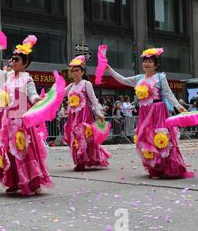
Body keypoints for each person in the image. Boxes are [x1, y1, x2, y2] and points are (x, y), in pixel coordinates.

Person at [0, 35, 53, 196]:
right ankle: (13, 180)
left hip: (21, 121)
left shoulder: (27, 79)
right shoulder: (9, 76)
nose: (12, 61)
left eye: (16, 59)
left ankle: (30, 181)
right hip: (7, 121)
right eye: (12, 59)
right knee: (8, 150)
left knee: (22, 150)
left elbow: (33, 96)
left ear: (25, 63)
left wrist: (37, 100)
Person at [107, 47, 194, 179]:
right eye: (145, 61)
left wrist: (178, 106)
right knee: (147, 140)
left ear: (156, 65)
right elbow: (123, 80)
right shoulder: (139, 78)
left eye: (150, 61)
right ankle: (155, 167)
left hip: (158, 111)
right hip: (144, 112)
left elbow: (167, 93)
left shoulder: (160, 77)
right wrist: (110, 70)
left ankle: (168, 167)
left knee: (161, 138)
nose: (146, 64)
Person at [63, 56, 111, 171]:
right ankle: (80, 160)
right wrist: (45, 98)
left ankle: (84, 161)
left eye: (77, 70)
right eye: (73, 71)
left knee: (84, 137)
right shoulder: (71, 86)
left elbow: (93, 99)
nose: (74, 73)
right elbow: (59, 94)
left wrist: (99, 113)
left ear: (82, 72)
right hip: (73, 115)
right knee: (74, 137)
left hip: (84, 114)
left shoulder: (86, 84)